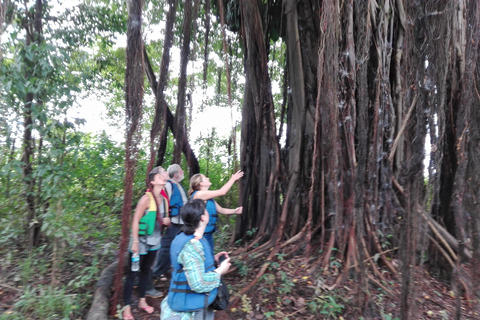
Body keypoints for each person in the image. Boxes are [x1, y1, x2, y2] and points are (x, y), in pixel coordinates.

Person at [160, 199, 232, 320]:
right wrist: (221, 271)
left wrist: (212, 260)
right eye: (206, 211)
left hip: (193, 302)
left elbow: (188, 264)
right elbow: (199, 283)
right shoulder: (191, 245)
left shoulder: (186, 236)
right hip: (189, 308)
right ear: (203, 218)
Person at [122, 166, 171, 320]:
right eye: (159, 175)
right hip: (140, 242)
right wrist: (135, 242)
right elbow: (135, 220)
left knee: (146, 271)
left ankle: (142, 301)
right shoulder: (145, 199)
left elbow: (163, 222)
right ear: (152, 181)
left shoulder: (164, 200)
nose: (163, 177)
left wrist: (167, 222)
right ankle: (126, 308)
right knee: (132, 274)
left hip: (154, 242)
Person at [189, 170, 243, 251]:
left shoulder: (209, 197)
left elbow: (221, 210)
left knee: (210, 258)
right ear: (201, 184)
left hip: (208, 234)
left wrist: (235, 211)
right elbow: (222, 192)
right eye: (205, 178)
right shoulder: (198, 194)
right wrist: (233, 179)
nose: (208, 178)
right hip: (200, 235)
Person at [152, 164, 188, 279]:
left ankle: (166, 268)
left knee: (174, 246)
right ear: (176, 174)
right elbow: (162, 200)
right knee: (166, 246)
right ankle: (157, 271)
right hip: (172, 221)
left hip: (180, 222)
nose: (183, 172)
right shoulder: (168, 185)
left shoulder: (178, 185)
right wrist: (163, 219)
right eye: (181, 171)